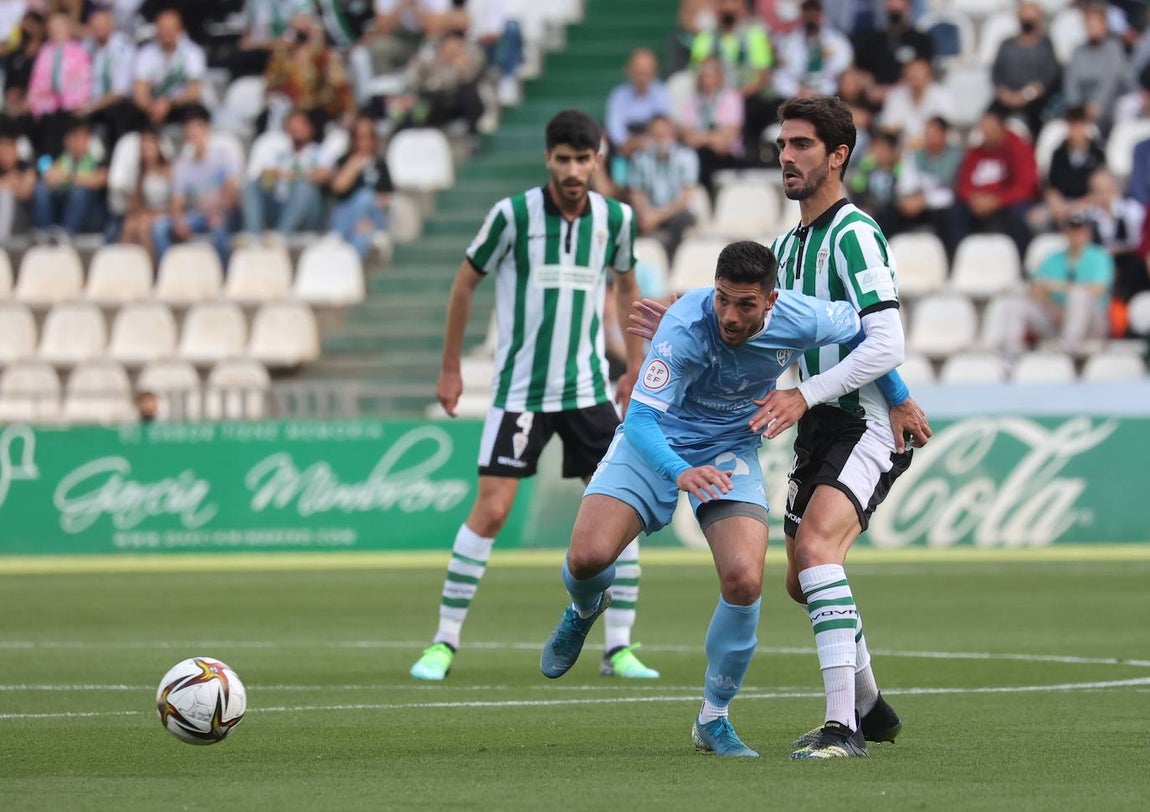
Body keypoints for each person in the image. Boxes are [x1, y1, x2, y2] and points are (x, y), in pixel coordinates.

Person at [537, 240, 914, 758]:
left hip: (730, 449)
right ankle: (583, 609)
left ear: (772, 301)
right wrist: (680, 471)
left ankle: (713, 719)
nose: (729, 317)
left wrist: (899, 398)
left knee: (744, 580)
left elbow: (863, 337)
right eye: (721, 300)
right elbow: (642, 419)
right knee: (587, 558)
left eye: (744, 305)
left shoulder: (801, 317)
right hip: (657, 444)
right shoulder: (684, 326)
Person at [408, 110, 655, 683]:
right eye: (563, 159)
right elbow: (466, 281)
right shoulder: (512, 215)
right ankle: (443, 642)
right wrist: (450, 368)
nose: (573, 169)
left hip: (589, 388)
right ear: (549, 159)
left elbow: (626, 285)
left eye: (583, 158)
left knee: (624, 510)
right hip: (519, 392)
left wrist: (634, 365)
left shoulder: (614, 219)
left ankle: (617, 648)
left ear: (598, 159)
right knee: (492, 510)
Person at [766, 95, 931, 758]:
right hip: (819, 428)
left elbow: (886, 339)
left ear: (837, 155)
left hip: (862, 423)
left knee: (813, 555)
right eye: (783, 144)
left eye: (802, 144)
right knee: (799, 578)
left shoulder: (854, 233)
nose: (786, 156)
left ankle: (843, 728)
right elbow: (835, 331)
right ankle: (871, 706)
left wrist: (820, 394)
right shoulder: (788, 245)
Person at [997, 211, 1114, 357]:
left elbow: (1096, 290)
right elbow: (1035, 288)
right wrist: (1052, 308)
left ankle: (1067, 350)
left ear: (1088, 233)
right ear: (1066, 233)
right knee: (1015, 304)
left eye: (1081, 231)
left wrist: (1056, 286)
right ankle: (1010, 354)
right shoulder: (1053, 259)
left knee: (1078, 296)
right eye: (1072, 230)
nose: (1076, 235)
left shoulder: (1100, 257)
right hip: (1057, 319)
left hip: (1092, 324)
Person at [152, 105, 240, 265]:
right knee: (160, 227)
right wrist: (178, 221)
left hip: (225, 213)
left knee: (220, 228)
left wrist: (219, 212)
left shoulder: (223, 154)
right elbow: (177, 201)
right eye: (189, 130)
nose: (192, 134)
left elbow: (232, 191)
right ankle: (169, 271)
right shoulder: (183, 165)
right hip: (199, 216)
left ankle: (224, 276)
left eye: (196, 129)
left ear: (205, 129)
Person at [953, 104, 1039, 261]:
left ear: (1002, 127)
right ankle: (959, 260)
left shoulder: (1019, 148)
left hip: (1008, 202)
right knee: (954, 212)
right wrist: (975, 199)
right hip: (979, 202)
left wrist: (997, 200)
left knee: (1019, 215)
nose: (986, 133)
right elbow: (963, 184)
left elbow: (1026, 186)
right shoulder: (976, 152)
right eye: (983, 129)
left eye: (990, 129)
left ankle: (1021, 262)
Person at [242, 108, 332, 237]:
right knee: (252, 186)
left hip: (310, 214)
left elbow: (325, 175)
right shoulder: (279, 154)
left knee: (303, 187)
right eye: (292, 126)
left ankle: (281, 237)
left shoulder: (320, 152)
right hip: (281, 207)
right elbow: (266, 182)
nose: (296, 130)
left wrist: (295, 175)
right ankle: (253, 237)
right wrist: (272, 174)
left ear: (310, 128)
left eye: (300, 125)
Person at [627, 114, 699, 261]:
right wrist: (646, 214)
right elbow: (637, 192)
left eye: (664, 134)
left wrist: (658, 216)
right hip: (650, 211)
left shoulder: (687, 156)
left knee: (679, 220)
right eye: (656, 135)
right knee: (626, 218)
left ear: (672, 134)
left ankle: (672, 263)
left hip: (675, 212)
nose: (660, 139)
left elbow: (685, 198)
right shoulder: (640, 158)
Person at [677, 54, 746, 202]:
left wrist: (701, 136)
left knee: (705, 159)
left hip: (726, 155)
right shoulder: (692, 101)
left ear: (720, 76)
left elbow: (728, 139)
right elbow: (688, 138)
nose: (706, 78)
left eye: (711, 73)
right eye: (704, 73)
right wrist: (713, 136)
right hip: (700, 154)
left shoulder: (731, 98)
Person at [990, 2, 1061, 139]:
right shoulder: (1007, 45)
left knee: (1039, 123)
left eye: (1031, 19)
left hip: (1035, 101)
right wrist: (1006, 94)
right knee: (990, 118)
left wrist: (1026, 95)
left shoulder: (1045, 46)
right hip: (1007, 98)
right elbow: (996, 75)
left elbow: (1049, 77)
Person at [26, 9, 90, 158]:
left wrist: (77, 101)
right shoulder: (45, 51)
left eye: (60, 26)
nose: (56, 30)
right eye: (53, 27)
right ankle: (45, 165)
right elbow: (37, 81)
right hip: (48, 106)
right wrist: (35, 101)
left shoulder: (79, 51)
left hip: (72, 105)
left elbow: (83, 80)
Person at [328, 114, 393, 261]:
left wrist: (368, 205)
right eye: (359, 137)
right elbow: (338, 188)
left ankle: (347, 267)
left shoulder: (380, 165)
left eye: (367, 137)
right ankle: (350, 268)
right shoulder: (344, 161)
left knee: (365, 198)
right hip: (347, 216)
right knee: (361, 236)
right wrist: (353, 167)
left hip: (372, 215)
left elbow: (387, 196)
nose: (363, 142)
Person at [31, 115, 108, 238]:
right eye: (71, 137)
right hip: (62, 208)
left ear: (88, 138)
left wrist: (69, 176)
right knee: (41, 189)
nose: (75, 141)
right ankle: (43, 233)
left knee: (80, 192)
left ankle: (66, 234)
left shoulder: (97, 158)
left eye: (79, 136)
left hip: (91, 214)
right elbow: (48, 178)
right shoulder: (62, 159)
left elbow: (100, 180)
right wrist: (53, 178)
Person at [131, 7, 206, 126]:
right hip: (153, 107)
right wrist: (153, 106)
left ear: (180, 30)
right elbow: (140, 91)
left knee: (195, 111)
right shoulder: (145, 54)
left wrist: (168, 104)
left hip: (180, 105)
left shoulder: (193, 52)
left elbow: (194, 91)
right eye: (162, 28)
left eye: (171, 28)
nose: (166, 32)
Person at [604, 48, 671, 160]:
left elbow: (663, 126)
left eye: (646, 73)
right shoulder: (618, 95)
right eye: (639, 73)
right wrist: (628, 143)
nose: (642, 78)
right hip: (624, 150)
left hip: (653, 150)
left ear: (654, 72)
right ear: (629, 71)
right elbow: (615, 127)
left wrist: (645, 142)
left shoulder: (662, 93)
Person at [119, 127, 170, 260]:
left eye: (150, 147)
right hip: (147, 213)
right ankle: (128, 267)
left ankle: (151, 269)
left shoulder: (169, 171)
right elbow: (135, 206)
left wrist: (156, 213)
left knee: (143, 227)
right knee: (129, 225)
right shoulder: (139, 174)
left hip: (166, 212)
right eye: (144, 148)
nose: (147, 152)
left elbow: (176, 201)